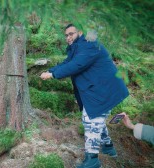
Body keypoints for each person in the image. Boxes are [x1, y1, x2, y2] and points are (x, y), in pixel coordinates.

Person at [40, 24, 129, 168]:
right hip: (97, 90)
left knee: (91, 120)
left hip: (104, 90)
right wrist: (50, 70)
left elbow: (77, 65)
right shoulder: (77, 48)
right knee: (96, 119)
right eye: (66, 35)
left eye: (71, 34)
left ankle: (92, 160)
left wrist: (53, 74)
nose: (68, 37)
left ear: (80, 32)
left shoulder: (90, 43)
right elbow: (68, 62)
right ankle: (108, 147)